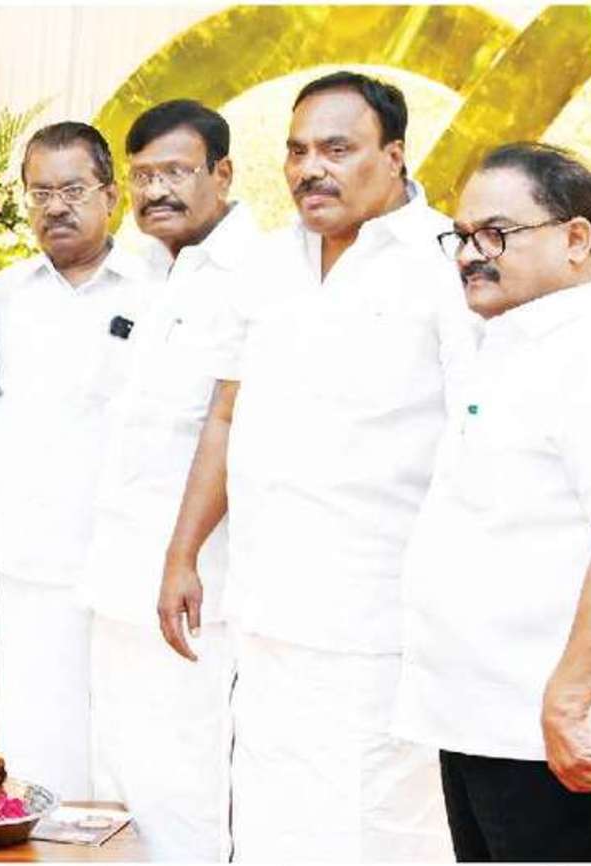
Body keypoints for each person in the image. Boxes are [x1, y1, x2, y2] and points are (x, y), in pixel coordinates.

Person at [158, 71, 473, 860]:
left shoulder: (448, 264)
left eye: (337, 149)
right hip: (269, 613)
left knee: (379, 826)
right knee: (273, 822)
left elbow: (476, 438)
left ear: (394, 155)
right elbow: (226, 413)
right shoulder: (267, 266)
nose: (310, 170)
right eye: (297, 151)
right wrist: (182, 552)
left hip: (383, 622)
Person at [397, 143, 591, 862]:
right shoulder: (508, 343)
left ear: (575, 238)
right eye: (460, 236)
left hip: (551, 733)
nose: (469, 255)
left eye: (496, 234)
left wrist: (572, 701)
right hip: (482, 721)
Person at [81, 99, 253, 861]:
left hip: (198, 588)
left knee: (186, 779)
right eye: (143, 175)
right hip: (116, 576)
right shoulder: (142, 272)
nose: (157, 191)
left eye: (176, 172)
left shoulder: (256, 277)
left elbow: (231, 427)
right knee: (119, 771)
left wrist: (182, 559)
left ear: (224, 172)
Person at [0, 121, 153, 803]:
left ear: (111, 195)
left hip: (128, 562)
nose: (56, 207)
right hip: (28, 561)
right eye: (40, 192)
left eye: (73, 190)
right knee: (32, 745)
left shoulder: (155, 292)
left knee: (129, 743)